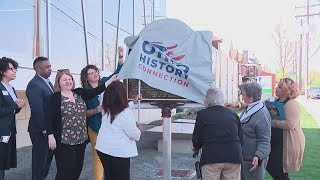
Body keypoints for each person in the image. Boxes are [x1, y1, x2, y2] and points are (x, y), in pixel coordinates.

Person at [46, 69, 117, 180]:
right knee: (65, 171)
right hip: (64, 141)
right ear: (58, 82)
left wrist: (110, 81)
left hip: (81, 139)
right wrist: (50, 135)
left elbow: (96, 91)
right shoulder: (55, 98)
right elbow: (48, 117)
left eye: (70, 79)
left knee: (77, 168)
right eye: (64, 79)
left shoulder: (79, 92)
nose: (68, 81)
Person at [80, 46, 124, 180]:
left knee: (111, 154)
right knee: (98, 156)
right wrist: (96, 110)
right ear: (86, 78)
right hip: (95, 127)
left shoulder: (105, 82)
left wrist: (121, 57)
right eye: (91, 73)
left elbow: (118, 72)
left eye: (96, 71)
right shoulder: (84, 93)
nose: (95, 74)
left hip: (111, 125)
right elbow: (83, 113)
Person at [95, 81, 144, 180]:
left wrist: (133, 102)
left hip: (103, 149)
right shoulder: (126, 113)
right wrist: (139, 129)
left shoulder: (106, 108)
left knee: (109, 176)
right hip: (118, 153)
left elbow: (120, 111)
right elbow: (134, 134)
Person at [192, 88, 243, 180]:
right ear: (223, 100)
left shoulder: (202, 114)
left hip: (212, 157)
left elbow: (197, 138)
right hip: (234, 157)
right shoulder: (233, 114)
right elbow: (240, 138)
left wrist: (196, 147)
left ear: (207, 101)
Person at [266, 78, 305, 180]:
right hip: (276, 142)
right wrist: (240, 105)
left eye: (279, 87)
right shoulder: (274, 100)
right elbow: (258, 106)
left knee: (277, 168)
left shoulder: (292, 104)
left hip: (286, 143)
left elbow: (289, 125)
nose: (276, 89)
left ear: (286, 90)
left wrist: (271, 122)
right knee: (271, 165)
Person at [26, 56, 54, 180]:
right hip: (40, 131)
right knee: (39, 163)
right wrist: (45, 130)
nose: (50, 69)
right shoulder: (34, 84)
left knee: (47, 161)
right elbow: (37, 110)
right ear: (38, 69)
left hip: (48, 129)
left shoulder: (48, 83)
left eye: (50, 66)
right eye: (47, 67)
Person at [0, 57, 26, 180]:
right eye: (11, 69)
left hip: (10, 131)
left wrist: (19, 107)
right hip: (1, 131)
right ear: (2, 71)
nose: (14, 71)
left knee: (3, 164)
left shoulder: (11, 88)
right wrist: (15, 105)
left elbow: (12, 110)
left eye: (14, 69)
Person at [239, 82, 271, 180]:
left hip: (254, 161)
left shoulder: (262, 115)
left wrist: (258, 155)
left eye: (243, 94)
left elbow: (265, 140)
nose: (242, 96)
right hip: (245, 158)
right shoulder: (251, 108)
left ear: (251, 98)